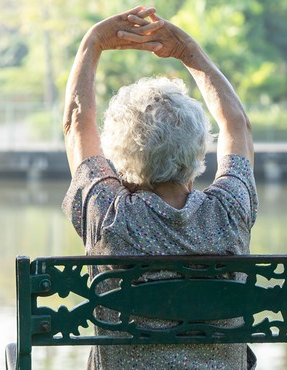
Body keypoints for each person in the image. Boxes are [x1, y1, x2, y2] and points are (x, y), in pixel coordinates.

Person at [61, 6, 257, 369]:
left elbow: (76, 123)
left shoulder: (107, 215)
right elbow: (237, 125)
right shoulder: (230, 210)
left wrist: (93, 43)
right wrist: (188, 53)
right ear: (199, 148)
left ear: (118, 156)